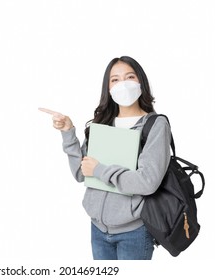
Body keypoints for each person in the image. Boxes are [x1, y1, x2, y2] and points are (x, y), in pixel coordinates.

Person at [39, 56, 172, 260]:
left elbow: (147, 182)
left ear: (140, 82)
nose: (123, 84)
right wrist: (68, 132)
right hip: (98, 230)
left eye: (129, 77)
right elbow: (81, 173)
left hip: (134, 233)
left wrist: (100, 170)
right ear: (108, 88)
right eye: (115, 80)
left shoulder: (155, 125)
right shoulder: (102, 124)